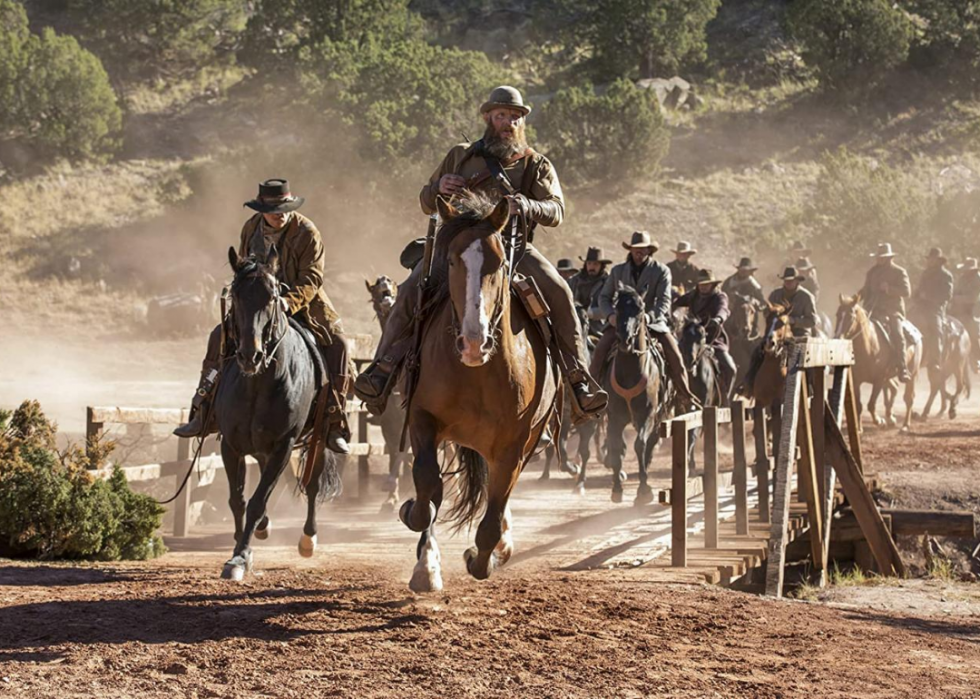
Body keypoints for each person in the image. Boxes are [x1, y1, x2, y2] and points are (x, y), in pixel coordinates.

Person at [353, 85, 607, 417]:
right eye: (502, 115)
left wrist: (526, 204)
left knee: (559, 292)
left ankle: (578, 380)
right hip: (455, 249)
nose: (508, 123)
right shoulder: (459, 154)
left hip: (511, 251)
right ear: (488, 117)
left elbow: (557, 211)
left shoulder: (535, 164)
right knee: (411, 289)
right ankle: (382, 370)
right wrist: (438, 188)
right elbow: (426, 200)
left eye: (515, 117)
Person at [174, 179, 352, 453]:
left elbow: (312, 278)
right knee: (218, 336)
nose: (279, 214)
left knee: (338, 344)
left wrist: (286, 302)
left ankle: (333, 419)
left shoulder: (307, 232)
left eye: (284, 208)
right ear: (261, 209)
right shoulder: (251, 228)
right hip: (257, 303)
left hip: (302, 304)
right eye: (273, 209)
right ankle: (203, 409)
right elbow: (245, 268)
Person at [591, 231, 700, 411]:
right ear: (631, 250)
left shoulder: (661, 271)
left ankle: (684, 395)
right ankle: (591, 395)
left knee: (675, 355)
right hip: (621, 322)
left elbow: (664, 301)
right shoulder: (618, 271)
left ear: (649, 250)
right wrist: (610, 315)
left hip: (652, 323)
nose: (639, 252)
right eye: (636, 249)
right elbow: (604, 297)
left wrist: (649, 317)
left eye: (643, 249)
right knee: (600, 350)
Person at [740, 266, 818, 395]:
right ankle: (748, 384)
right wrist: (768, 313)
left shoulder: (806, 297)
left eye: (791, 280)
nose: (788, 283)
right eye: (786, 280)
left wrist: (793, 321)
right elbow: (767, 312)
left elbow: (813, 320)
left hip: (798, 333)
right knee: (757, 352)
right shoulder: (775, 294)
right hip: (776, 332)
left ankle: (810, 388)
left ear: (797, 281)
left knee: (804, 357)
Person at [675, 269, 737, 403]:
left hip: (713, 339)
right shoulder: (693, 295)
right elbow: (677, 301)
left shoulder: (720, 297)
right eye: (700, 284)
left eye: (706, 284)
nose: (703, 286)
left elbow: (723, 309)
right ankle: (670, 395)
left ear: (713, 284)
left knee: (731, 368)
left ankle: (725, 400)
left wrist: (718, 319)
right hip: (692, 338)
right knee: (671, 357)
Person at [859, 243, 913, 382]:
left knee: (897, 334)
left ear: (889, 258)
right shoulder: (872, 272)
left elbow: (906, 292)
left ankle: (902, 368)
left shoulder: (899, 272)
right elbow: (866, 289)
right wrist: (856, 297)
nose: (879, 260)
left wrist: (889, 288)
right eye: (878, 257)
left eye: (882, 257)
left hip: (892, 311)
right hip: (872, 310)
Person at [912, 247, 954, 371]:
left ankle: (935, 361)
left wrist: (928, 296)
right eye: (929, 259)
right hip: (920, 307)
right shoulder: (925, 273)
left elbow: (947, 295)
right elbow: (919, 289)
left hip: (936, 309)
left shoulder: (946, 275)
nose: (929, 261)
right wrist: (916, 296)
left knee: (936, 330)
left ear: (938, 260)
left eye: (932, 259)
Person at [569, 246, 612, 337]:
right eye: (589, 263)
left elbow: (611, 307)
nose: (591, 267)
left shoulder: (609, 282)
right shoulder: (575, 280)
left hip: (599, 329)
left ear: (601, 266)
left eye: (595, 264)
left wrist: (590, 313)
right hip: (574, 325)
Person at [952, 257, 980, 369]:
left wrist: (956, 298)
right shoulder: (962, 278)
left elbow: (973, 298)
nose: (965, 272)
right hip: (959, 310)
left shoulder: (978, 280)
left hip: (975, 312)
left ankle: (977, 357)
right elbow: (957, 291)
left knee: (972, 331)